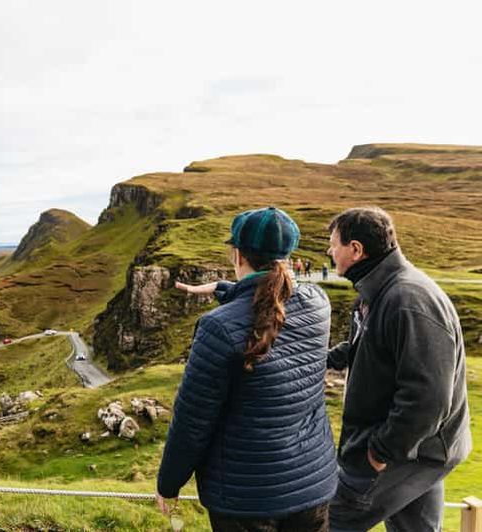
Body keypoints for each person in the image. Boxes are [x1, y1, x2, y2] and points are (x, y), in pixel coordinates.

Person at [157, 207, 337, 532]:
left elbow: (192, 420)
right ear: (287, 255)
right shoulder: (318, 303)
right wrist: (224, 289)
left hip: (245, 498)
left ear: (238, 255)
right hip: (311, 484)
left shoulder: (218, 327)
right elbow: (270, 300)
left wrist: (169, 484)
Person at [326, 207, 471, 532]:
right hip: (418, 447)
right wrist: (321, 359)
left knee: (328, 521)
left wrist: (380, 452)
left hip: (411, 451)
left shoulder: (408, 300)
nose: (329, 252)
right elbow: (370, 345)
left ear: (356, 249)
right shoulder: (379, 290)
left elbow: (428, 397)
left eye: (334, 244)